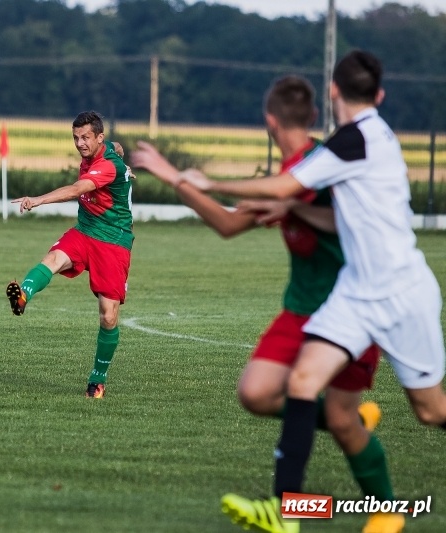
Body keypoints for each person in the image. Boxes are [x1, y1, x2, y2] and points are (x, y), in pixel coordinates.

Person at [175, 50, 446, 533]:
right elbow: (322, 209)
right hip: (356, 293)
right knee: (302, 383)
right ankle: (286, 513)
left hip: (403, 292)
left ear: (334, 91)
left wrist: (206, 179)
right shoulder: (358, 139)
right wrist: (296, 211)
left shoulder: (352, 141)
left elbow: (282, 189)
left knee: (432, 411)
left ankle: (367, 510)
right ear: (379, 95)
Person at [131, 74, 402, 533]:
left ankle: (385, 513)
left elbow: (349, 217)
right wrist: (175, 179)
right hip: (301, 308)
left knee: (339, 419)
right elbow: (228, 224)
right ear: (312, 116)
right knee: (256, 393)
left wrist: (182, 175)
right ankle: (305, 492)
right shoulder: (284, 178)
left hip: (352, 307)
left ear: (268, 122)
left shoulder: (326, 165)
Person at [6, 110, 134, 399]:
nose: (79, 143)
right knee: (51, 260)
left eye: (85, 137)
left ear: (98, 137)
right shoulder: (105, 148)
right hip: (85, 230)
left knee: (108, 316)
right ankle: (23, 295)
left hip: (113, 241)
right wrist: (124, 163)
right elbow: (118, 147)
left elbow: (79, 188)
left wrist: (37, 200)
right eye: (76, 137)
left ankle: (97, 380)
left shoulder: (106, 166)